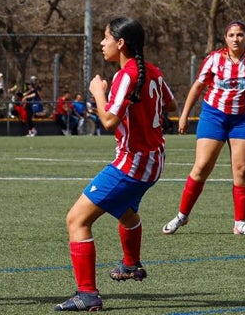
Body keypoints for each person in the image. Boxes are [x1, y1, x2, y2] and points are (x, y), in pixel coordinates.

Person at [54, 17, 176, 312]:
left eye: (106, 38)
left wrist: (98, 92)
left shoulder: (126, 75)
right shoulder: (154, 72)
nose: (102, 43)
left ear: (120, 43)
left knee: (77, 220)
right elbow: (170, 105)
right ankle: (131, 265)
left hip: (131, 163)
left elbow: (108, 121)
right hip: (154, 161)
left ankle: (87, 294)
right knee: (126, 212)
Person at [162, 20, 245, 237]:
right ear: (225, 38)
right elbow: (197, 87)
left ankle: (240, 222)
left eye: (240, 35)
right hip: (213, 116)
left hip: (243, 120)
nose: (236, 39)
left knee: (241, 170)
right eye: (232, 35)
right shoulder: (214, 59)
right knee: (202, 166)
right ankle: (182, 215)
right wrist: (184, 116)